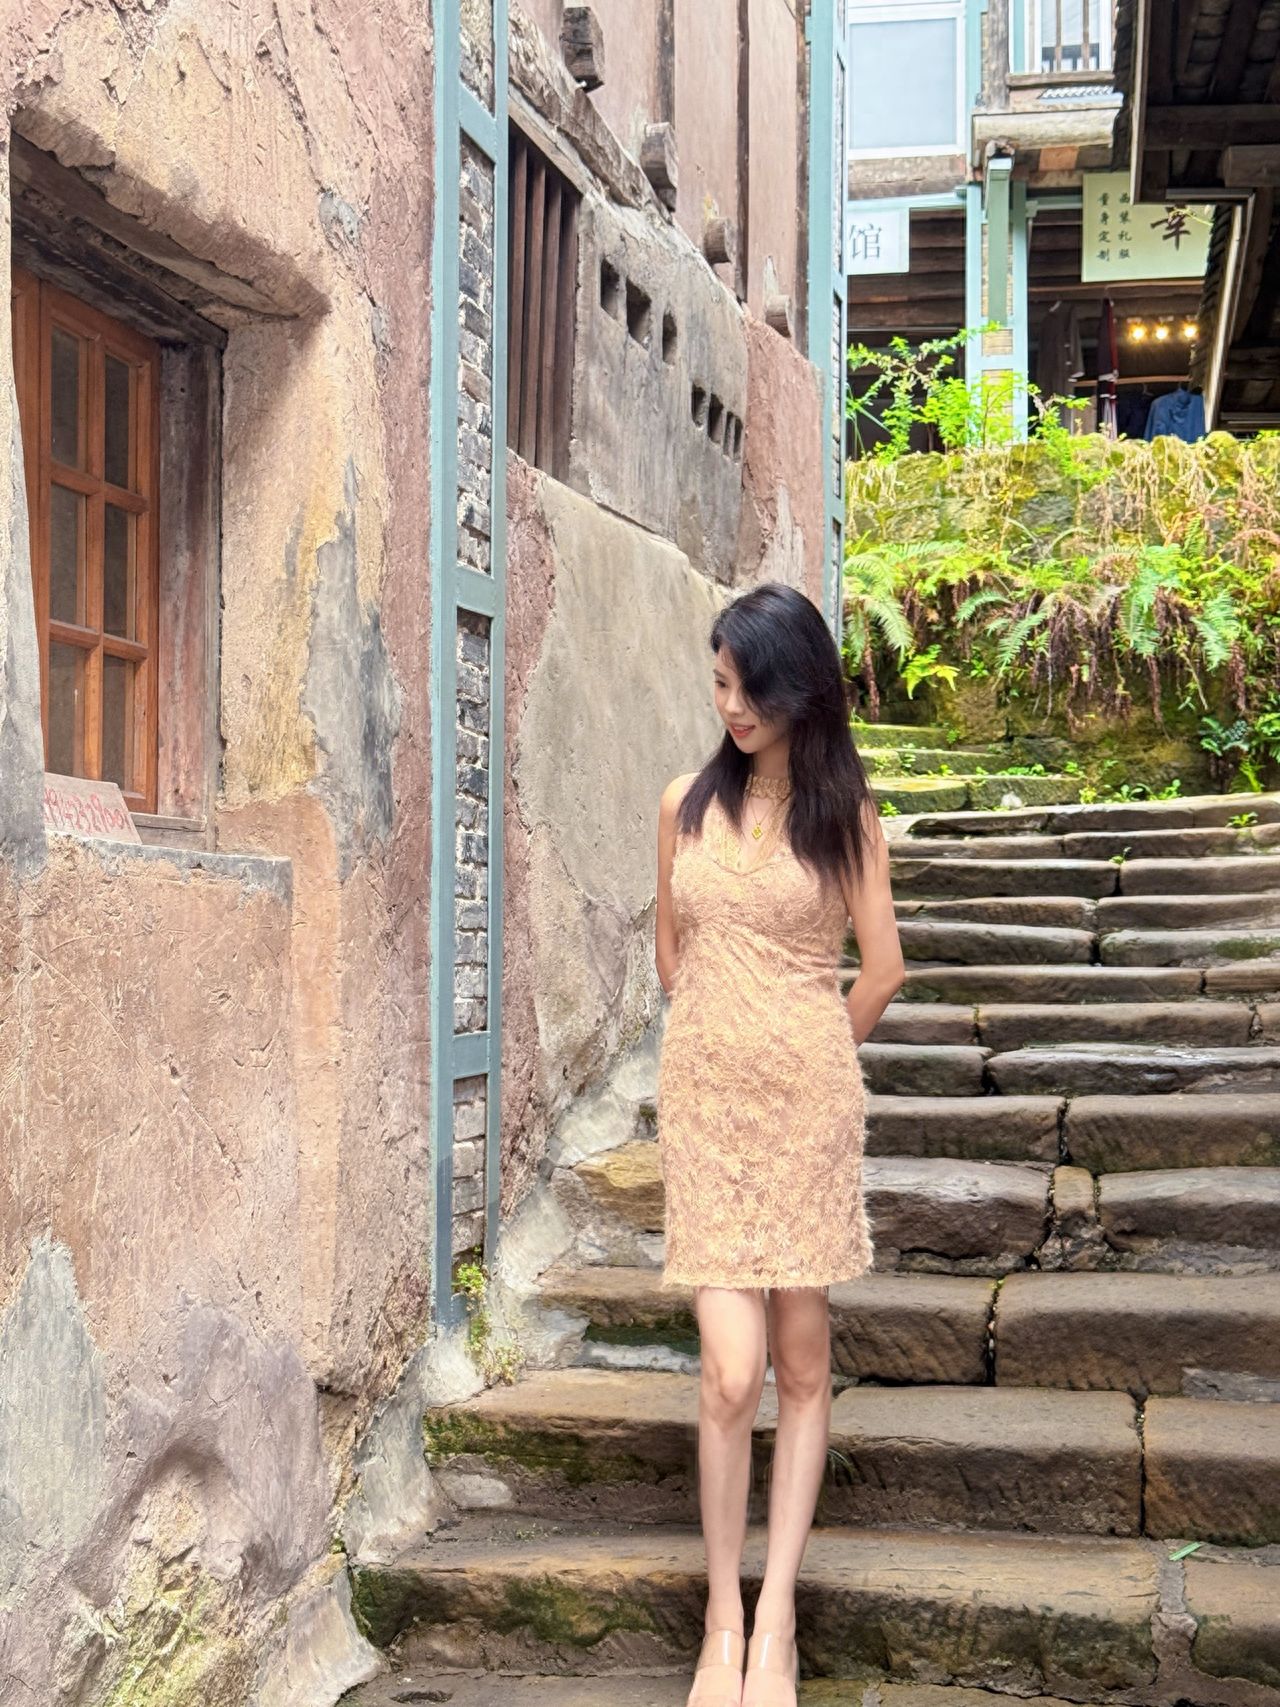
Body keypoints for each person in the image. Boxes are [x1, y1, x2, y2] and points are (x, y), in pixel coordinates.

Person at [654, 581, 906, 1707]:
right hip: (707, 1109)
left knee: (801, 1362)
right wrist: (720, 1041)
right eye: (718, 682)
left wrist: (808, 1050)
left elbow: (882, 970)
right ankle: (719, 1617)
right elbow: (670, 956)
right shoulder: (679, 804)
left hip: (805, 1110)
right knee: (730, 1370)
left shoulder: (843, 817)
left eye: (749, 683)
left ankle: (777, 1619)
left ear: (798, 686)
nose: (732, 703)